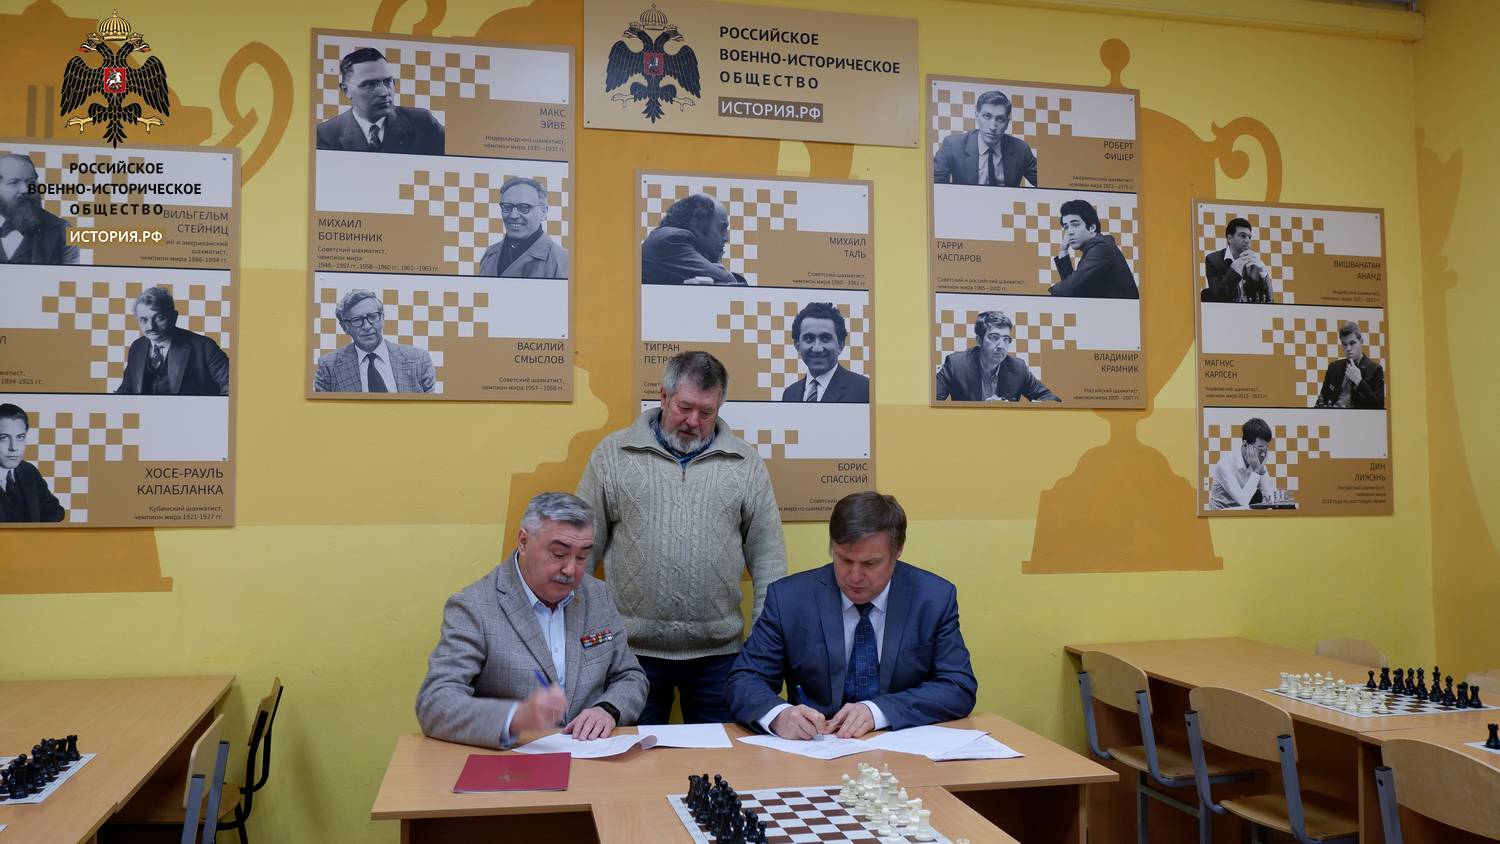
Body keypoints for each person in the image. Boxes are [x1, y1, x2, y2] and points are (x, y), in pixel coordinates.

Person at [576, 351, 786, 725]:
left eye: (706, 412)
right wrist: (588, 637)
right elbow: (582, 550)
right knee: (634, 756)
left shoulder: (745, 463)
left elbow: (769, 557)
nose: (693, 421)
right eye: (684, 407)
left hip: (721, 656)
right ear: (663, 396)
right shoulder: (613, 455)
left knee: (724, 756)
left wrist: (761, 645)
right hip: (629, 654)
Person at [726, 492, 977, 738]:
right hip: (815, 746)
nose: (855, 576)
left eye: (870, 564)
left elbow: (958, 686)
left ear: (898, 551)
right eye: (844, 560)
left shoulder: (932, 599)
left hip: (898, 745)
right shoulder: (789, 599)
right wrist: (779, 715)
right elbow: (745, 679)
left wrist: (878, 711)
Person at [415, 492, 648, 749]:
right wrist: (515, 718)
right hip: (512, 761)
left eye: (582, 557)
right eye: (558, 554)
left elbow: (630, 676)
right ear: (523, 542)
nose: (571, 569)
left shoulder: (597, 595)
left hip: (593, 757)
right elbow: (435, 703)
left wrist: (608, 708)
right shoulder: (475, 607)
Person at [315, 47, 445, 155]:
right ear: (346, 90)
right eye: (370, 84)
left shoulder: (423, 123)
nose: (384, 92)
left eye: (388, 81)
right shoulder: (325, 134)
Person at [314, 289, 436, 393]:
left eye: (372, 317)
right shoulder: (328, 366)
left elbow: (431, 409)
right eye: (357, 320)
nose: (367, 326)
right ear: (345, 327)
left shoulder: (419, 359)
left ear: (382, 318)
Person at [115, 287, 230, 396]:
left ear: (174, 317)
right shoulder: (137, 347)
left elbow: (232, 386)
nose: (151, 327)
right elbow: (126, 390)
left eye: (159, 318)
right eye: (143, 320)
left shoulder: (205, 347)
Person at [934, 310, 1059, 402]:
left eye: (1006, 339)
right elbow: (932, 400)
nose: (1001, 345)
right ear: (979, 340)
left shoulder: (1018, 368)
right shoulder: (956, 364)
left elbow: (1050, 398)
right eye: (994, 337)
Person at [932, 90, 1038, 187]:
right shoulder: (953, 145)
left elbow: (1045, 180)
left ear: (1007, 123)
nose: (992, 127)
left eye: (1000, 119)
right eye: (987, 116)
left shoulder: (1021, 149)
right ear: (977, 115)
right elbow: (935, 187)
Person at [640, 193, 745, 285]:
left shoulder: (672, 240)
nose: (726, 238)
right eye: (721, 229)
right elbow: (727, 280)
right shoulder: (672, 240)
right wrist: (717, 265)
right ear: (696, 223)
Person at [477, 178, 569, 278]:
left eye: (524, 207)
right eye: (507, 207)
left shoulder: (563, 260)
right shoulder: (490, 254)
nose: (513, 215)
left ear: (543, 212)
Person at [781, 302, 869, 403]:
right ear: (797, 345)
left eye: (825, 338)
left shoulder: (864, 389)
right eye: (809, 338)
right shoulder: (790, 394)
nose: (817, 348)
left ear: (840, 345)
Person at [1049, 199, 1139, 299]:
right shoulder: (1097, 246)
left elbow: (1070, 288)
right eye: (1066, 227)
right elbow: (1075, 290)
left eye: (1075, 225)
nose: (1069, 232)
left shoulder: (1101, 247)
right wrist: (1063, 250)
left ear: (1092, 227)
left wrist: (1051, 290)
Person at [0, 153, 79, 265]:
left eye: (31, 182)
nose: (26, 189)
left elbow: (73, 272)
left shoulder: (62, 229)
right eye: (14, 182)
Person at [0, 403, 65, 523]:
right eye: (3, 438)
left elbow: (55, 512)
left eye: (20, 437)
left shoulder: (28, 471)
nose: (14, 447)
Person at [1208, 417, 1285, 509]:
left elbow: (1272, 499)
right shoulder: (1225, 464)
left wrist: (1261, 471)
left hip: (1244, 514)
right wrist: (1257, 471)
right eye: (1260, 448)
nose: (1263, 454)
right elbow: (1243, 501)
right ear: (1245, 444)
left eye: (1266, 448)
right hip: (1220, 515)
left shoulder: (1257, 463)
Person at [1315, 321, 1385, 409]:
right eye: (1344, 344)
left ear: (1361, 342)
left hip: (1358, 417)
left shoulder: (1375, 369)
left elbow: (1379, 406)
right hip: (1333, 415)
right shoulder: (1334, 368)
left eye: (1352, 343)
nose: (1348, 348)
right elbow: (1321, 401)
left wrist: (1359, 381)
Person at [1202, 218, 1271, 303]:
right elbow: (1218, 298)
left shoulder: (1253, 263)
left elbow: (1269, 300)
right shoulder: (1213, 260)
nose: (1247, 241)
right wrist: (1234, 270)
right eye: (1243, 236)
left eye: (1249, 237)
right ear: (1230, 238)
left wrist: (1263, 272)